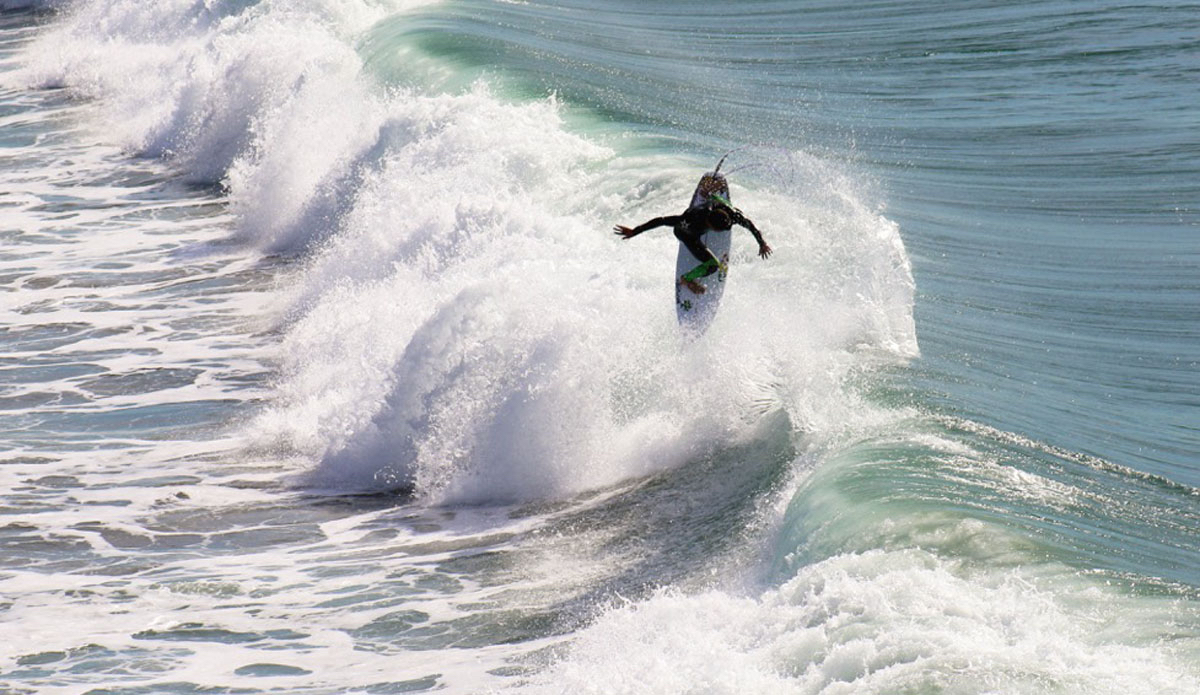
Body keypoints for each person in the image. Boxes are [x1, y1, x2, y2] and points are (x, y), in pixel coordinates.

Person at [614, 172, 771, 295]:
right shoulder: (691, 220)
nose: (721, 232)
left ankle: (709, 192)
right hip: (687, 235)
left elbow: (749, 225)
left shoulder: (732, 215)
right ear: (709, 224)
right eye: (718, 230)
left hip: (714, 206)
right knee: (712, 267)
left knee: (722, 203)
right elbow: (661, 220)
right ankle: (687, 279)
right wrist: (635, 231)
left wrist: (761, 243)